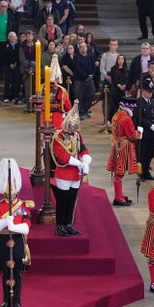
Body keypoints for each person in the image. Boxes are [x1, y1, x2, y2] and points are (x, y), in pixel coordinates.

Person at [0, 157, 32, 307]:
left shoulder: (23, 206)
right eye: (8, 193)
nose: (10, 196)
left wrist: (13, 225)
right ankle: (6, 300)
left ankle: (17, 301)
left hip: (17, 240)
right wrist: (4, 223)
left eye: (12, 193)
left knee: (17, 273)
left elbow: (27, 227)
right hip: (3, 240)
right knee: (5, 272)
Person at [51, 101, 91, 237]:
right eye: (73, 126)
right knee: (63, 201)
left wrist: (85, 161)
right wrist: (79, 164)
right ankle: (60, 225)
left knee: (72, 200)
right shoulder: (59, 137)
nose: (74, 129)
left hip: (75, 174)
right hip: (64, 173)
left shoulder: (77, 135)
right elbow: (63, 157)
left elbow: (83, 149)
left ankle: (68, 224)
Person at [107, 97, 140, 206]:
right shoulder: (126, 119)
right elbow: (132, 136)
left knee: (118, 173)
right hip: (124, 148)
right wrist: (139, 133)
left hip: (117, 145)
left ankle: (119, 194)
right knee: (119, 173)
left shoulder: (117, 114)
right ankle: (118, 197)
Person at [135, 83, 154, 181]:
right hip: (144, 133)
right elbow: (139, 117)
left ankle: (146, 171)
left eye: (151, 92)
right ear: (143, 91)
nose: (150, 94)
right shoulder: (139, 102)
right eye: (148, 92)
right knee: (142, 153)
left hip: (153, 134)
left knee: (150, 154)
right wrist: (150, 125)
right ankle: (141, 173)